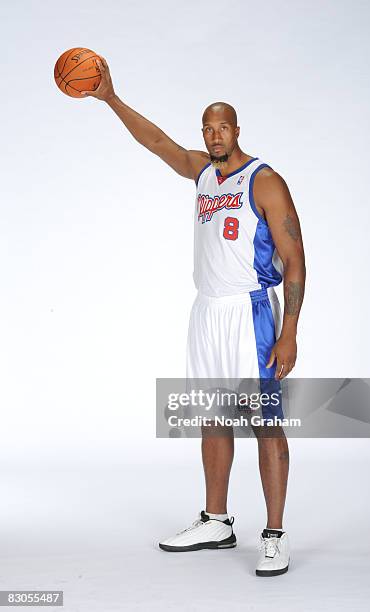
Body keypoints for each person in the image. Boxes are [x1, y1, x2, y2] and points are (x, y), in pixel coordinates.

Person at [81, 56, 306, 577]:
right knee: (211, 416)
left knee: (265, 423)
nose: (213, 134)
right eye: (206, 127)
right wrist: (110, 98)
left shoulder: (265, 179)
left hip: (250, 312)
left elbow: (295, 259)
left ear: (237, 129)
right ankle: (217, 520)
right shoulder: (203, 173)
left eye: (221, 125)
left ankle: (274, 534)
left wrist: (290, 330)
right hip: (205, 311)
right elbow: (157, 143)